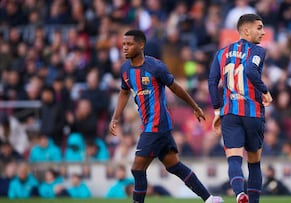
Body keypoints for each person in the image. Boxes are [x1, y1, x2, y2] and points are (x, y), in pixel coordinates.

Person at [109, 29, 223, 203]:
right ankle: (210, 199)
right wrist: (115, 117)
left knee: (137, 169)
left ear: (141, 45)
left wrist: (194, 106)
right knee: (173, 165)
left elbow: (175, 87)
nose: (125, 48)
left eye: (129, 44)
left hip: (156, 124)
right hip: (149, 124)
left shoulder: (155, 67)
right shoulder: (125, 69)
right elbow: (124, 92)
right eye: (123, 44)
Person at [208, 14, 273, 203]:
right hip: (253, 112)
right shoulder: (258, 51)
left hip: (229, 113)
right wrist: (265, 91)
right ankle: (252, 200)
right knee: (254, 162)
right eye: (259, 28)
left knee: (234, 158)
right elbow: (251, 71)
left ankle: (239, 193)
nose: (263, 32)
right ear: (246, 30)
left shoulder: (221, 53)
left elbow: (212, 82)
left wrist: (217, 110)